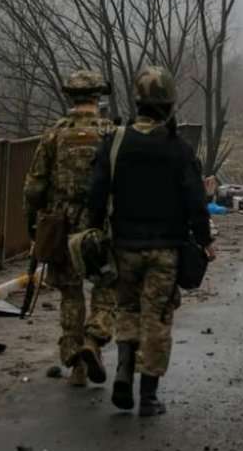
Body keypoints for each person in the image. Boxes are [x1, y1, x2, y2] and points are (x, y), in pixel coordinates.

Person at [88, 65, 214, 416]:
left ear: (138, 101)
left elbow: (97, 191)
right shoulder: (178, 149)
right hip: (165, 249)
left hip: (124, 245)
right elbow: (195, 201)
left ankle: (125, 369)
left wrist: (95, 229)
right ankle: (149, 394)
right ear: (170, 104)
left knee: (127, 308)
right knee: (157, 315)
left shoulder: (115, 142)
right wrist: (204, 239)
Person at [23, 70, 116, 387]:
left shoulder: (54, 134)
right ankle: (94, 340)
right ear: (97, 96)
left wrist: (33, 222)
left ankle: (75, 362)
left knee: (70, 292)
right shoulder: (110, 132)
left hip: (62, 222)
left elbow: (34, 186)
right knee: (105, 286)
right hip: (99, 221)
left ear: (70, 97)